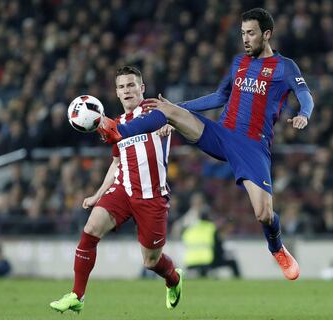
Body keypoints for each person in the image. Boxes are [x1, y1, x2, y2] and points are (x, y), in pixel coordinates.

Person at [99, 8, 315, 280]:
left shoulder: (285, 67)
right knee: (167, 109)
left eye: (250, 33)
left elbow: (305, 96)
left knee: (264, 214)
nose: (245, 39)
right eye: (242, 33)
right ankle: (119, 130)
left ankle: (277, 248)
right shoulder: (239, 63)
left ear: (267, 34)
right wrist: (179, 109)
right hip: (221, 134)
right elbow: (219, 96)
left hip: (252, 146)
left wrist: (303, 115)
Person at [50, 66, 183, 313]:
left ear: (141, 88)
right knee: (90, 230)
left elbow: (177, 121)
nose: (127, 90)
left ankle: (173, 278)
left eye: (131, 85)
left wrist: (171, 126)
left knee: (150, 261)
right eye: (122, 87)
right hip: (122, 190)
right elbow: (116, 162)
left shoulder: (158, 112)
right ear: (117, 93)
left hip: (151, 196)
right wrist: (98, 194)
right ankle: (77, 295)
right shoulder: (117, 123)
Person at [182, 212, 241, 278]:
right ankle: (239, 280)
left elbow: (185, 241)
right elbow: (218, 249)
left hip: (190, 262)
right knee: (232, 262)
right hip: (206, 261)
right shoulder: (211, 228)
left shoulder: (190, 229)